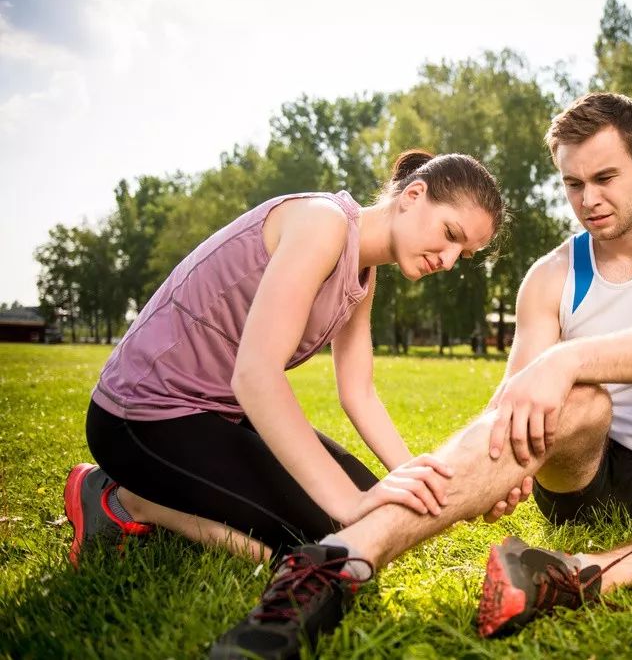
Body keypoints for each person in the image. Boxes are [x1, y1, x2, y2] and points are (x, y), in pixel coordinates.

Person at [209, 94, 632, 659]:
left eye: (606, 177)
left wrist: (566, 358)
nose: (590, 199)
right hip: (579, 469)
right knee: (582, 400)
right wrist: (498, 466)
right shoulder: (552, 274)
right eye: (573, 184)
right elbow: (512, 404)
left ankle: (579, 573)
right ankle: (337, 561)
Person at [61, 150, 530, 611]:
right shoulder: (322, 224)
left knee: (373, 517)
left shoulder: (364, 274)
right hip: (139, 416)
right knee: (331, 547)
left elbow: (358, 392)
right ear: (413, 195)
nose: (448, 261)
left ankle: (159, 496)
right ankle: (124, 501)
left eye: (463, 254)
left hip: (215, 415)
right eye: (450, 235)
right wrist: (348, 503)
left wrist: (427, 482)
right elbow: (256, 375)